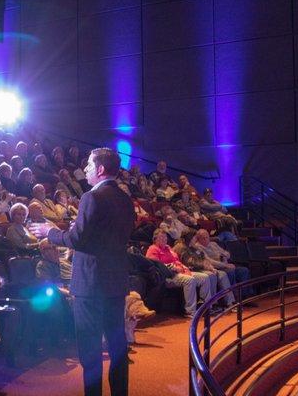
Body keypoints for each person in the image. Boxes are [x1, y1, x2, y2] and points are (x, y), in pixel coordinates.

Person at [30, 147, 134, 396]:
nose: (85, 169)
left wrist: (50, 233)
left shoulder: (91, 197)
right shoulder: (125, 199)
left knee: (90, 352)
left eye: (89, 164)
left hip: (90, 284)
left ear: (99, 169)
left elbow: (77, 239)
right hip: (115, 281)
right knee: (118, 346)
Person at [145, 229, 212, 318]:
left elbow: (177, 261)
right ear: (155, 239)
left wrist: (184, 268)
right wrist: (174, 268)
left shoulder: (168, 248)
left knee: (204, 277)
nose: (164, 239)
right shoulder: (152, 249)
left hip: (179, 273)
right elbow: (157, 265)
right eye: (161, 237)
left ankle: (205, 307)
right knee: (189, 280)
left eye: (165, 238)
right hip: (166, 277)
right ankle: (190, 311)